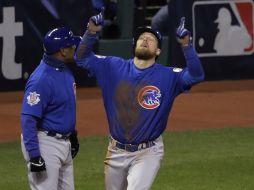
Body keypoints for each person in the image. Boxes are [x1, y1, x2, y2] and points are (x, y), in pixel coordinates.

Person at [75, 11, 205, 190]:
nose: (145, 40)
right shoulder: (112, 66)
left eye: (151, 39)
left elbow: (196, 75)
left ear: (158, 50)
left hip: (148, 152)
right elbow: (81, 58)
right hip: (115, 151)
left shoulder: (168, 76)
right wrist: (90, 32)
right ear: (134, 44)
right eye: (141, 37)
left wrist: (186, 46)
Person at [20, 27, 80, 190]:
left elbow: (65, 108)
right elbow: (28, 119)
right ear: (62, 50)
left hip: (64, 143)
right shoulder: (41, 80)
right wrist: (34, 155)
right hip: (45, 144)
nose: (74, 48)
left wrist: (72, 134)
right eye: (71, 45)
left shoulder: (64, 71)